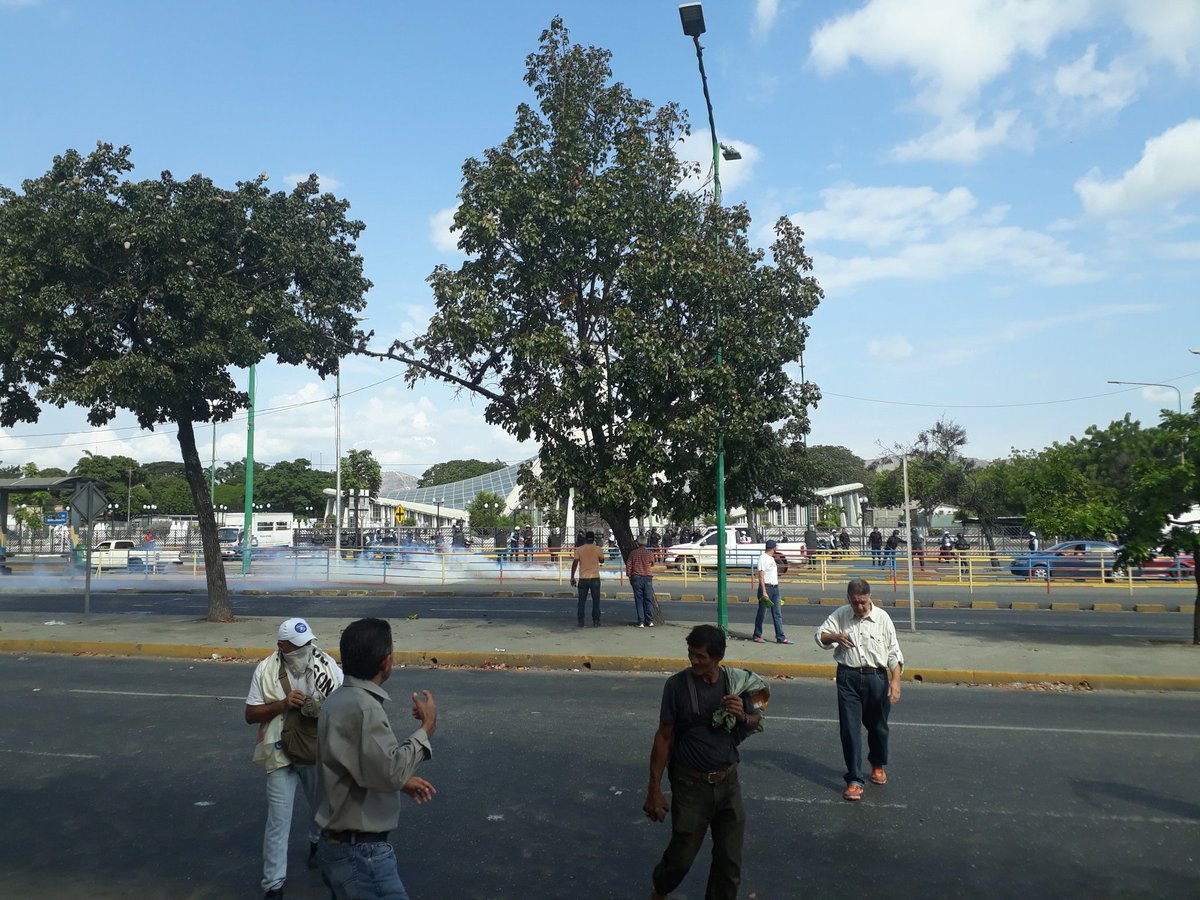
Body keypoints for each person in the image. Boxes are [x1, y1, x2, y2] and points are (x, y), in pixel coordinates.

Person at [315, 617, 438, 900]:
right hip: (361, 853)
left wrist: (400, 782)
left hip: (341, 846)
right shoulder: (362, 707)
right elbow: (392, 770)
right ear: (386, 661)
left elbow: (355, 763)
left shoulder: (339, 699)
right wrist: (427, 728)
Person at [643, 625, 767, 900]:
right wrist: (654, 790)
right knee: (681, 859)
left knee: (729, 863)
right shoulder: (676, 686)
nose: (694, 661)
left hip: (728, 784)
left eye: (701, 657)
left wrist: (743, 716)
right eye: (691, 654)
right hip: (690, 786)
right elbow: (663, 738)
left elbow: (758, 717)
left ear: (718, 657)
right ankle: (661, 887)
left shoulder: (739, 683)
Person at [245, 618, 343, 900]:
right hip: (280, 751)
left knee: (319, 808)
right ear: (282, 646)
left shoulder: (326, 665)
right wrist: (282, 705)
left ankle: (315, 843)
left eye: (308, 644)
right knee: (278, 821)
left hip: (315, 750)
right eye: (298, 646)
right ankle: (273, 885)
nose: (305, 650)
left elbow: (343, 703)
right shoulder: (266, 670)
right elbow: (250, 715)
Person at [814, 579, 904, 802]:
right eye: (855, 603)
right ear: (848, 600)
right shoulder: (841, 615)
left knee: (878, 727)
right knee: (850, 730)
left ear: (870, 597)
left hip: (876, 678)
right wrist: (835, 637)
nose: (859, 607)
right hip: (848, 677)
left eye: (863, 602)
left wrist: (895, 681)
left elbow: (894, 653)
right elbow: (820, 636)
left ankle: (877, 763)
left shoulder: (882, 618)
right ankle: (854, 779)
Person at [752, 539, 793, 645]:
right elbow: (761, 575)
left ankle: (780, 637)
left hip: (775, 588)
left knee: (777, 613)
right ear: (773, 548)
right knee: (762, 613)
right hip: (766, 588)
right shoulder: (763, 558)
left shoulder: (771, 558)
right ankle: (757, 635)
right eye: (775, 547)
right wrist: (764, 592)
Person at [570, 530, 606, 627]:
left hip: (583, 578)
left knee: (581, 601)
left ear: (585, 539)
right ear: (594, 539)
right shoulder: (597, 549)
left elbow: (575, 563)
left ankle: (581, 621)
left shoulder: (579, 549)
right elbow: (602, 560)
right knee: (596, 601)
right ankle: (596, 621)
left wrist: (572, 577)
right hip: (595, 578)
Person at [626, 536, 657, 627]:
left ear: (637, 543)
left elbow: (629, 565)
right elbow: (652, 563)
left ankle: (641, 622)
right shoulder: (649, 553)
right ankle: (650, 621)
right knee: (648, 600)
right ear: (646, 543)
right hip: (647, 577)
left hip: (637, 577)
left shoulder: (633, 553)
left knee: (639, 600)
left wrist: (629, 575)